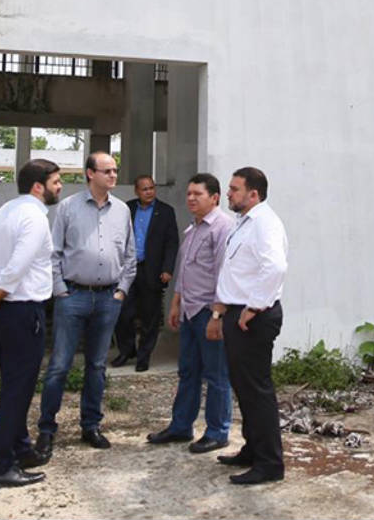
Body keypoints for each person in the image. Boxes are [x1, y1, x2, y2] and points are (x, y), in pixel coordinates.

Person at [0, 159, 61, 489]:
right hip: (21, 311)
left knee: (13, 383)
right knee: (17, 392)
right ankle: (0, 466)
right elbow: (17, 266)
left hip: (0, 311)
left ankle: (21, 450)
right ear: (38, 186)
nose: (59, 187)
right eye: (56, 182)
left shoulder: (4, 212)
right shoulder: (34, 217)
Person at [34, 152, 134, 459]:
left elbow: (130, 255)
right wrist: (60, 290)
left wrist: (122, 290)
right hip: (73, 296)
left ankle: (91, 425)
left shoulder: (122, 211)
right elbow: (53, 253)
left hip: (108, 298)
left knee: (97, 366)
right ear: (90, 173)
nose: (113, 175)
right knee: (59, 366)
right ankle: (46, 430)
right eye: (107, 171)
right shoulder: (68, 207)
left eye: (115, 170)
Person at [208, 167, 288, 485]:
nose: (228, 193)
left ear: (253, 194)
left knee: (257, 390)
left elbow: (275, 267)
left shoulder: (265, 223)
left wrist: (254, 306)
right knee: (244, 388)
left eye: (234, 189)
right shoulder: (244, 222)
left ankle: (269, 463)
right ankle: (253, 449)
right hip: (238, 313)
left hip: (253, 317)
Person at [147, 173, 234, 453]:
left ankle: (218, 432)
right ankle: (181, 426)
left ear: (215, 198)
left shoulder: (222, 228)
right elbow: (185, 272)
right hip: (189, 311)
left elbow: (224, 275)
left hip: (209, 312)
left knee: (216, 375)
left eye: (198, 194)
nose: (191, 199)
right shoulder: (194, 228)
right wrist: (176, 304)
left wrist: (217, 316)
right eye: (189, 194)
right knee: (188, 372)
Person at [113, 175, 178, 371]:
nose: (149, 192)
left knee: (150, 317)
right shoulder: (128, 208)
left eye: (151, 188)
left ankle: (144, 355)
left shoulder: (165, 211)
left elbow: (171, 242)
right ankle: (126, 350)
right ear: (136, 191)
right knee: (123, 313)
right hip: (128, 269)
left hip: (152, 270)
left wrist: (167, 269)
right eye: (144, 189)